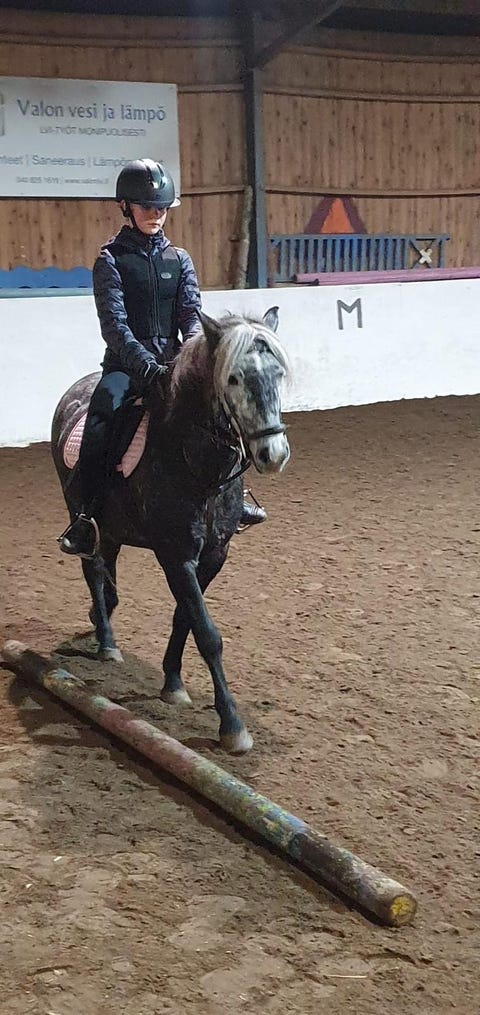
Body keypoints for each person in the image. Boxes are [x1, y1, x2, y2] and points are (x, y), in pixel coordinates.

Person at [58, 158, 266, 558]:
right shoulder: (111, 260)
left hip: (174, 363)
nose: (155, 214)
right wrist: (146, 367)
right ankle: (86, 517)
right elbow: (115, 327)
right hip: (125, 367)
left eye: (161, 208)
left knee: (223, 412)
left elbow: (190, 315)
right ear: (126, 206)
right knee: (100, 422)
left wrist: (192, 355)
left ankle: (232, 499)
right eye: (146, 207)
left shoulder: (179, 259)